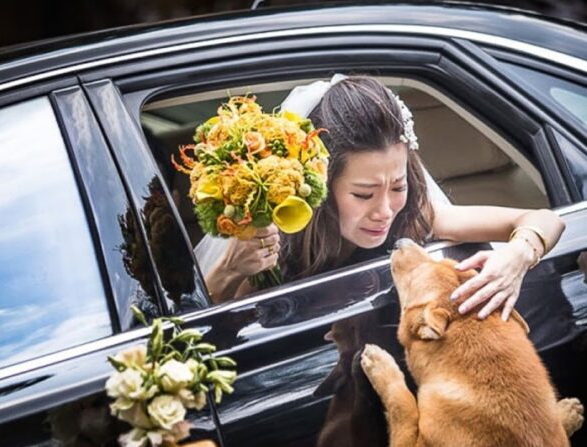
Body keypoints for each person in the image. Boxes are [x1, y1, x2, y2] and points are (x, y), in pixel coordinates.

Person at [201, 75, 565, 322]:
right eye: (363, 194)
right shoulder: (274, 246)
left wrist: (518, 256)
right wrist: (229, 270)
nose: (386, 211)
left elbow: (545, 220)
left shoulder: (415, 214)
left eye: (398, 186)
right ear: (321, 189)